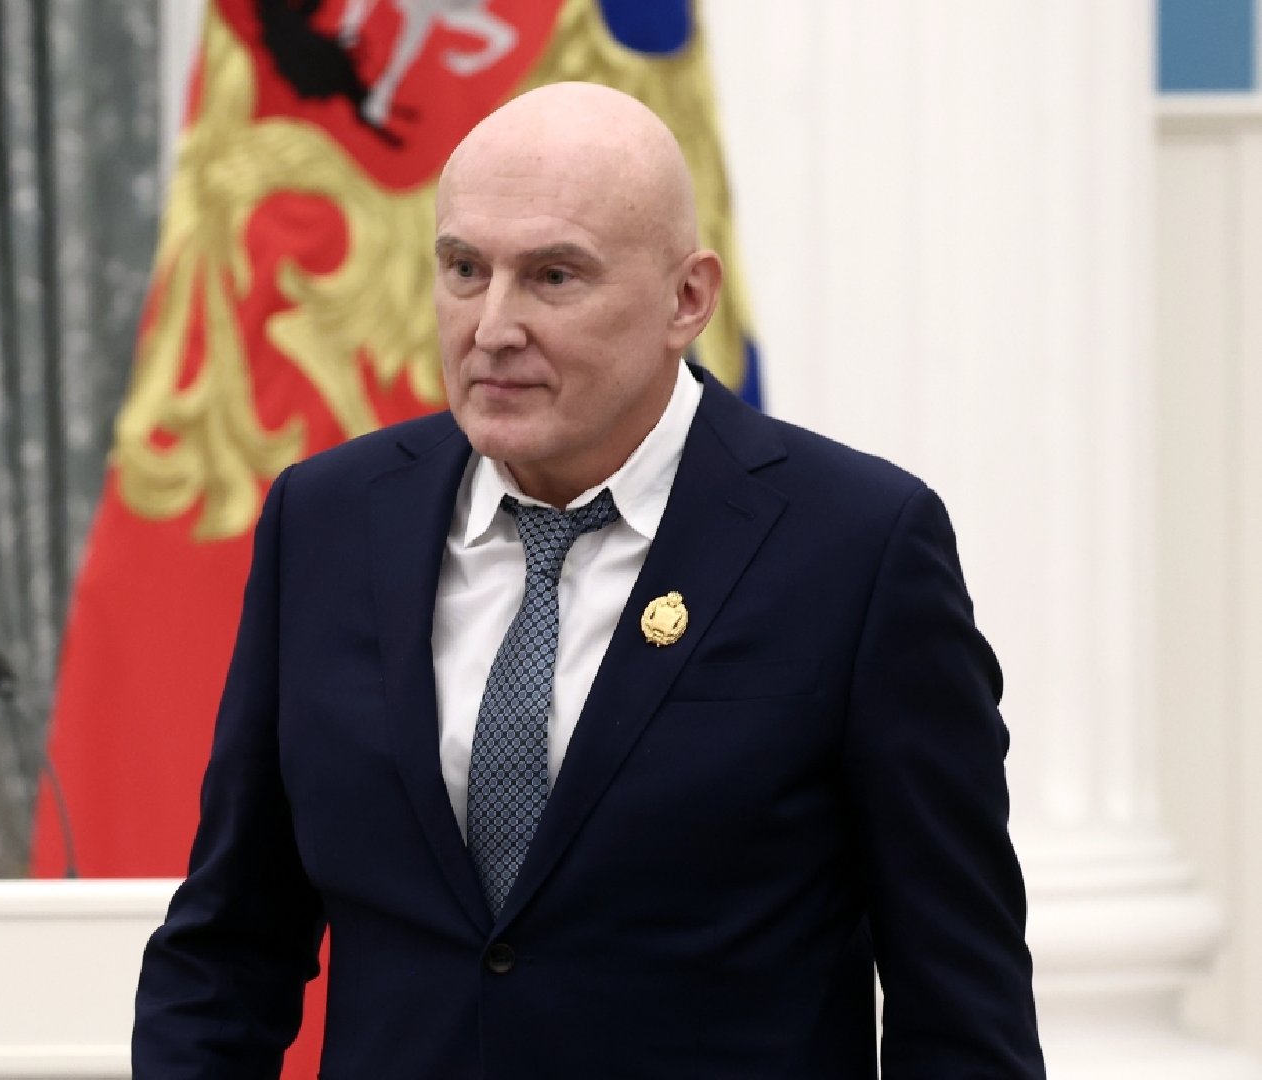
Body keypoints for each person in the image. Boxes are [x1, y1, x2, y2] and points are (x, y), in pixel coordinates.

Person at [133, 82, 1044, 1078]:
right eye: (464, 269)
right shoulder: (327, 521)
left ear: (687, 299)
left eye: (553, 276)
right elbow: (230, 944)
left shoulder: (856, 548)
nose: (492, 326)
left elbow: (960, 1005)